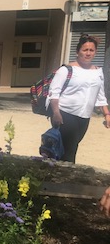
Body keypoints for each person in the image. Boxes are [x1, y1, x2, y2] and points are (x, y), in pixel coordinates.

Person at [47, 34, 110, 163]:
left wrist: (106, 114)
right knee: (70, 150)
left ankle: (53, 169)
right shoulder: (66, 70)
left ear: (95, 52)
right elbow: (54, 92)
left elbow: (100, 95)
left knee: (68, 146)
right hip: (65, 114)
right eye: (85, 50)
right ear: (77, 52)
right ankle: (67, 173)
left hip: (84, 117)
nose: (88, 53)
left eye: (91, 50)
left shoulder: (98, 72)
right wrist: (56, 113)